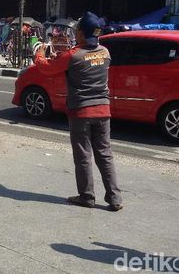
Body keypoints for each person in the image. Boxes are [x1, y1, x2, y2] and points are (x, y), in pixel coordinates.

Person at [35, 11, 123, 211]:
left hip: (81, 112)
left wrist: (39, 53)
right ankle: (114, 198)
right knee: (105, 154)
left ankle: (87, 196)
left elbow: (47, 67)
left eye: (77, 31)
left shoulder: (73, 55)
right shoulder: (105, 52)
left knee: (83, 155)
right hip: (103, 110)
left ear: (82, 33)